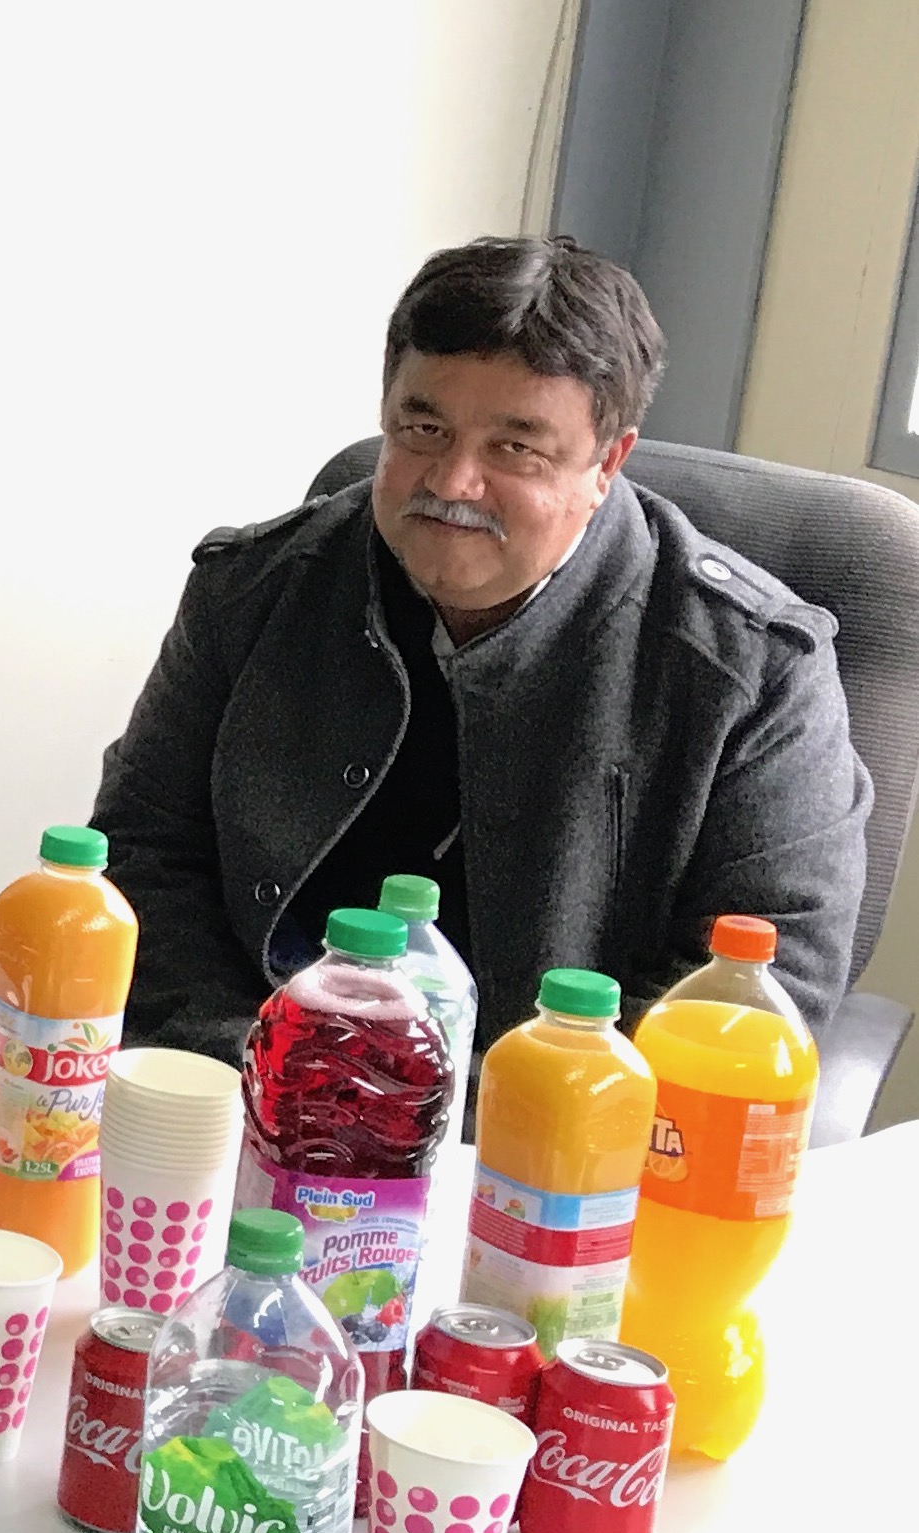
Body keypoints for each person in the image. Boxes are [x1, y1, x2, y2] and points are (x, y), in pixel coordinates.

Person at [93, 235, 872, 1060]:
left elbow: (756, 990)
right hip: (247, 1078)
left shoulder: (754, 671)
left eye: (515, 448)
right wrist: (261, 1067)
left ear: (607, 462)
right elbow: (143, 856)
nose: (451, 482)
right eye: (423, 428)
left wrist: (497, 1111)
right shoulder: (253, 590)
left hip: (549, 1122)